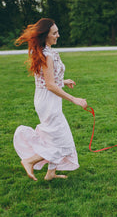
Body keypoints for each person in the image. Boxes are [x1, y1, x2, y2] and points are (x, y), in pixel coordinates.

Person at [13, 18, 87, 181]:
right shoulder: (46, 54)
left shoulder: (44, 51)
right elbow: (49, 85)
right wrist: (74, 99)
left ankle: (51, 173)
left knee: (57, 137)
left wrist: (63, 81)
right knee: (61, 141)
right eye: (54, 33)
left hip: (48, 98)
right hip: (48, 101)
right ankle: (29, 160)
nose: (58, 35)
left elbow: (48, 79)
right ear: (45, 35)